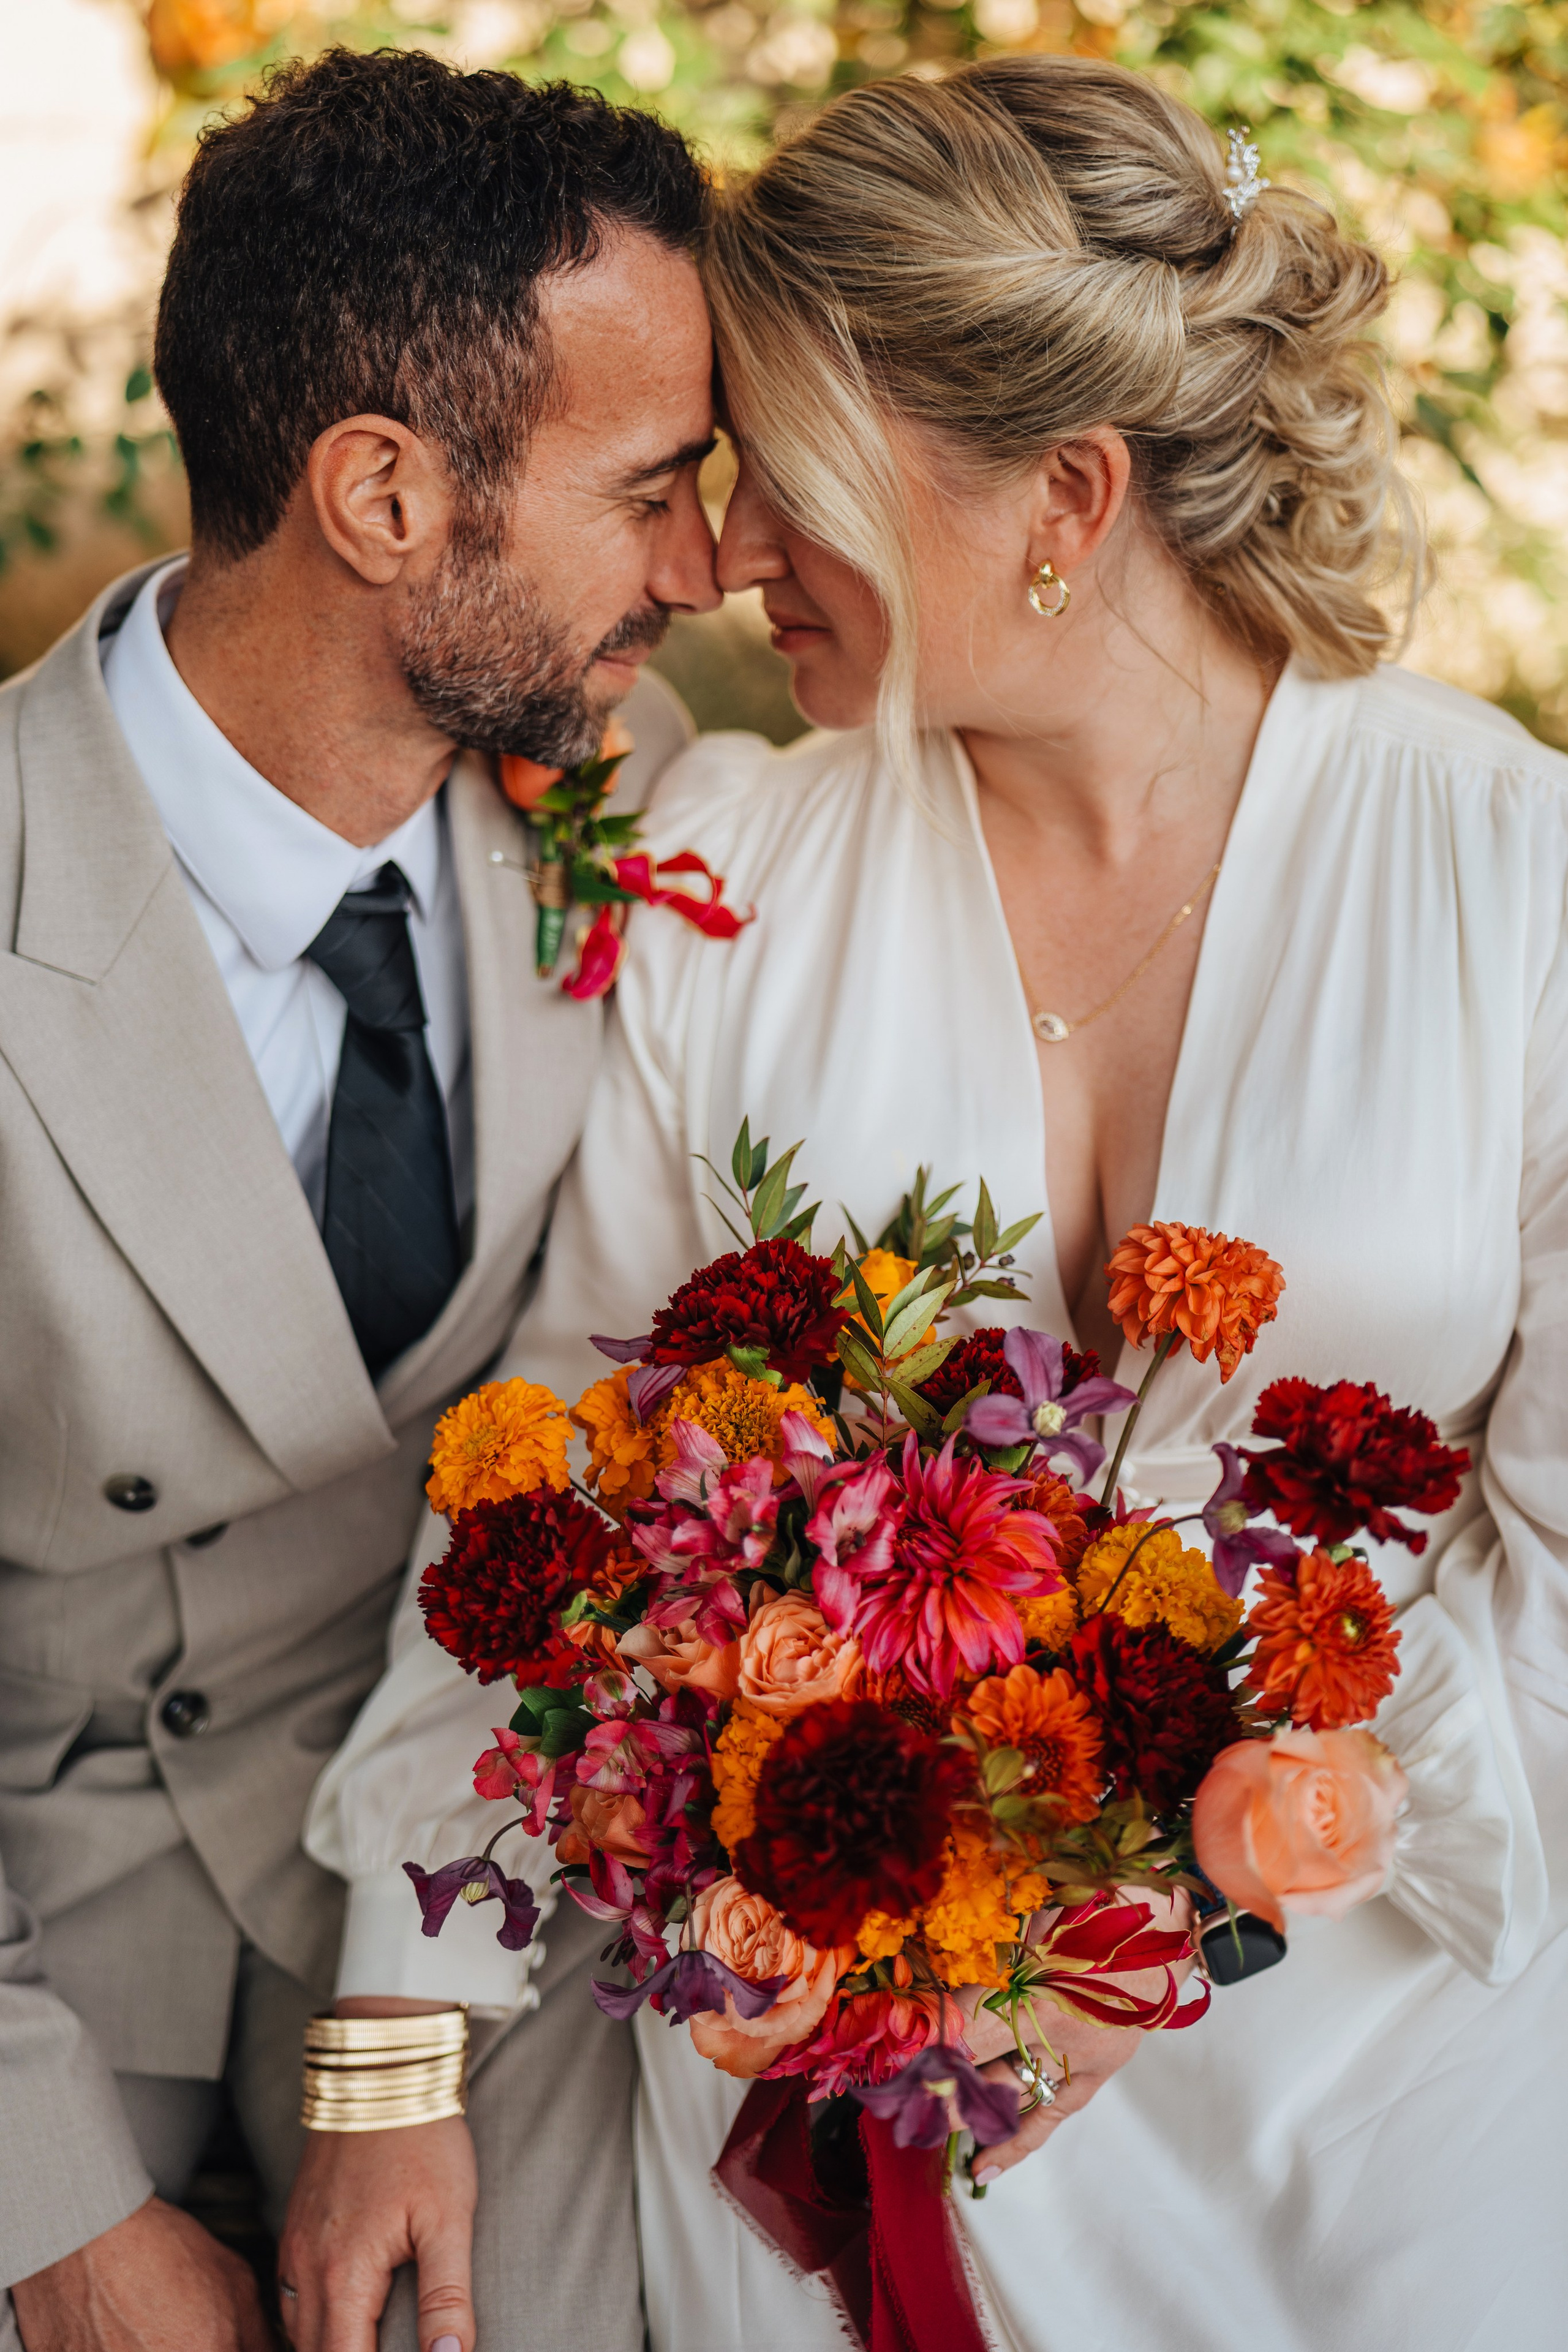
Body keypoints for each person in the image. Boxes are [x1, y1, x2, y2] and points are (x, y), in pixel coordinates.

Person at [307, 51, 1567, 2352]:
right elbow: (549, 1490)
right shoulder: (749, 879)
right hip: (832, 2107)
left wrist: (1209, 1897)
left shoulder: (1516, 879)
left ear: (1062, 496)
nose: (722, 555)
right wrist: (395, 2045)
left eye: (785, 477)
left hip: (1396, 2073)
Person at [0, 45, 720, 2352]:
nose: (702, 570)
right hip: (48, 1946)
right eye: (650, 491)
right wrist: (55, 2224)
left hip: (459, 1899)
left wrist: (411, 2029)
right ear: (386, 496)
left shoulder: (647, 794)